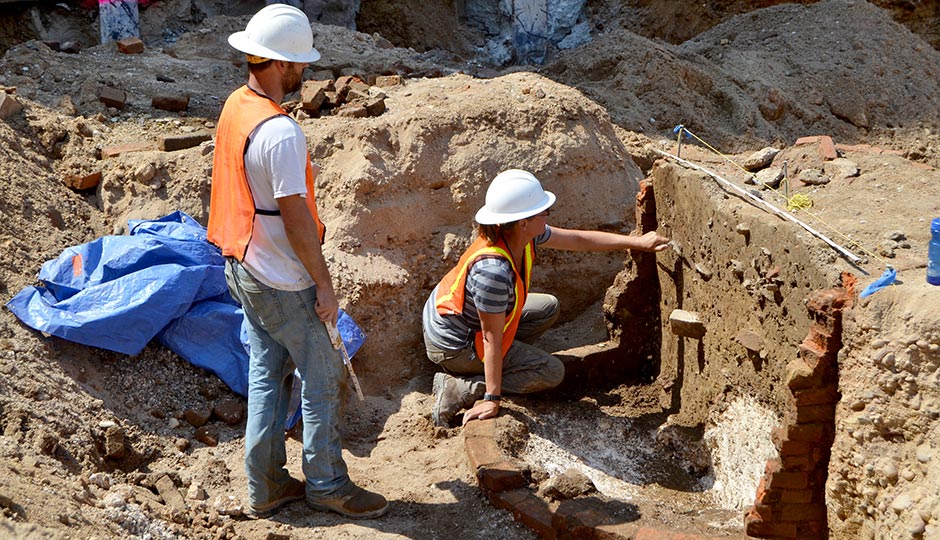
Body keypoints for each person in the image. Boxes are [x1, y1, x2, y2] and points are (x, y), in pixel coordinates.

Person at [207, 4, 388, 520]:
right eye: (300, 64)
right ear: (283, 65)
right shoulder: (281, 133)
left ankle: (264, 487)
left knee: (268, 374)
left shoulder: (236, 106)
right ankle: (328, 484)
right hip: (281, 276)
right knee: (325, 375)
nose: (304, 73)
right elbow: (297, 220)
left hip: (242, 263)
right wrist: (324, 286)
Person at [423, 169, 669, 427]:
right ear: (523, 222)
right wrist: (492, 398)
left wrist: (637, 242)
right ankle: (460, 386)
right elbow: (491, 338)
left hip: (459, 321)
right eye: (543, 212)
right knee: (550, 372)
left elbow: (578, 239)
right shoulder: (492, 273)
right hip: (454, 346)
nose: (548, 215)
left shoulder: (516, 233)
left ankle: (495, 367)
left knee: (548, 308)